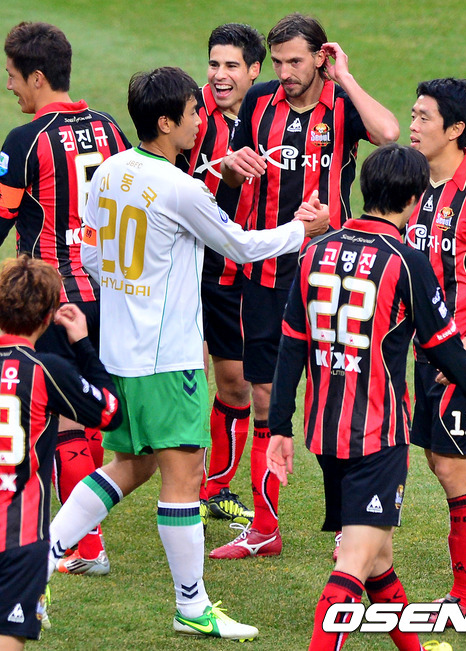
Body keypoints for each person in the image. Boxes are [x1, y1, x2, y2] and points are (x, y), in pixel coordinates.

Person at [46, 66, 328, 641]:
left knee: (130, 466)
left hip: (119, 352)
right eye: (194, 112)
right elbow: (241, 247)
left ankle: (33, 566)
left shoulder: (110, 171)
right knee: (182, 475)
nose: (202, 120)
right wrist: (304, 229)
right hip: (167, 360)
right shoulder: (181, 188)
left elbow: (92, 256)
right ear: (166, 121)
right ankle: (192, 606)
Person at [265, 143, 466, 650]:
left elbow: (290, 347)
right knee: (355, 561)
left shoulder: (315, 252)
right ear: (414, 200)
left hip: (324, 435)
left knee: (378, 560)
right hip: (377, 437)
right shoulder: (407, 262)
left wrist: (279, 427)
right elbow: (444, 347)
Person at [210, 11, 400, 560]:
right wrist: (233, 164)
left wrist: (347, 77)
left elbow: (389, 135)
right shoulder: (259, 101)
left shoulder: (342, 103)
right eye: (278, 62)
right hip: (267, 270)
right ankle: (265, 527)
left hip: (331, 272)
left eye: (296, 61)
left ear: (321, 57)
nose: (285, 73)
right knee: (266, 394)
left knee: (337, 400)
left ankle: (346, 524)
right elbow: (232, 171)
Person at [0, 21, 131, 575]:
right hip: (110, 293)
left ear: (37, 77)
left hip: (53, 299)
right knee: (90, 403)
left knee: (63, 425)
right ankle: (84, 532)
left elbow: (2, 217)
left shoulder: (24, 141)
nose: (9, 86)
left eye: (12, 76)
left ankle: (85, 546)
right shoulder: (109, 128)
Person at [406, 78, 466, 623]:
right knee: (445, 461)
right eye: (413, 115)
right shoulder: (413, 182)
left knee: (449, 464)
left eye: (424, 117)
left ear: (456, 129)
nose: (413, 126)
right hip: (429, 353)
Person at [0, 255, 122, 650]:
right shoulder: (46, 369)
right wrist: (83, 345)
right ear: (49, 316)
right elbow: (109, 412)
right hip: (19, 539)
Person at [178, 23, 266, 528]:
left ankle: (216, 488)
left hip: (243, 269)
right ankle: (183, 485)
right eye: (214, 64)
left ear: (254, 70)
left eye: (232, 65)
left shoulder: (272, 118)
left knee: (236, 383)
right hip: (194, 268)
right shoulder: (190, 116)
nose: (219, 75)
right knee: (192, 377)